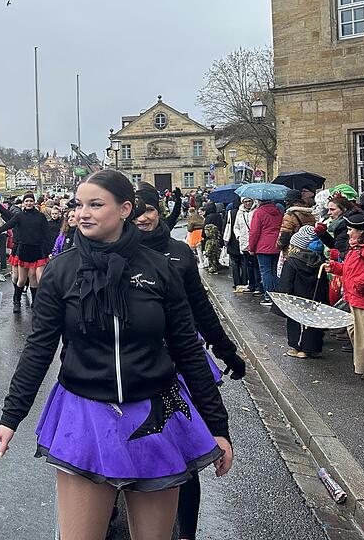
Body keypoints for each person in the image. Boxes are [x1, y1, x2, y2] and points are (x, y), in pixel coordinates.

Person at [0, 171, 232, 540]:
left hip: (156, 414)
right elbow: (38, 349)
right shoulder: (61, 271)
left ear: (125, 209)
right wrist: (11, 417)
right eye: (79, 205)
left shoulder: (159, 269)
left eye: (95, 205)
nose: (83, 213)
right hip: (85, 413)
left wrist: (218, 426)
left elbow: (187, 349)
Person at [131, 182, 245, 540]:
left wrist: (227, 351)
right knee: (137, 449)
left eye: (148, 210)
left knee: (182, 455)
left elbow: (202, 310)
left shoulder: (179, 253)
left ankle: (186, 534)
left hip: (180, 364)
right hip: (136, 367)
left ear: (159, 210)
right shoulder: (115, 254)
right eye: (135, 213)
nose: (143, 219)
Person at [324, 214, 364, 380]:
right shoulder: (359, 246)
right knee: (361, 334)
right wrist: (336, 267)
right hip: (357, 297)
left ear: (361, 231)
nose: (348, 233)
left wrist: (358, 283)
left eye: (351, 230)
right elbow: (351, 269)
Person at [0, 192, 46, 312]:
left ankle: (35, 302)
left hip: (36, 250)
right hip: (23, 250)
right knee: (21, 279)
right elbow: (8, 224)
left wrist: (47, 248)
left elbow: (47, 232)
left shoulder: (40, 216)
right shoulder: (19, 216)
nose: (29, 203)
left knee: (33, 278)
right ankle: (16, 300)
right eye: (26, 201)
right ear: (23, 203)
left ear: (34, 202)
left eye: (31, 201)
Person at [277, 226, 328, 359]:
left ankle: (298, 347)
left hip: (296, 298)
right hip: (315, 298)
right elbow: (323, 284)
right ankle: (312, 348)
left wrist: (283, 298)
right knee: (313, 323)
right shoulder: (320, 261)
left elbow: (286, 282)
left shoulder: (292, 262)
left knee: (296, 322)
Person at [248, 199, 283, 302]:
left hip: (263, 246)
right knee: (275, 271)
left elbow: (254, 232)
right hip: (277, 245)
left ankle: (268, 296)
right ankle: (276, 296)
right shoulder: (279, 211)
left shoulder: (259, 212)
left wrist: (251, 247)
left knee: (265, 272)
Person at [316, 193, 364, 257]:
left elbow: (343, 249)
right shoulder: (340, 223)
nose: (329, 213)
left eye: (332, 209)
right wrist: (322, 233)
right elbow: (338, 245)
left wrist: (339, 255)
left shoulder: (350, 223)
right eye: (328, 209)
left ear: (344, 209)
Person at [233, 196, 261, 295]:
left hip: (254, 242)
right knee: (248, 265)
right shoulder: (240, 212)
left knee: (256, 265)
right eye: (246, 201)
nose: (248, 203)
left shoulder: (256, 211)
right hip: (244, 242)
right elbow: (236, 226)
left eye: (249, 201)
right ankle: (251, 285)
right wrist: (238, 236)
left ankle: (258, 286)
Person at [277, 189, 317, 254]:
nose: (285, 202)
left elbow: (285, 235)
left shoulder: (289, 215)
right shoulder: (310, 213)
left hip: (293, 249)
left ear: (289, 201)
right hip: (308, 248)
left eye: (286, 200)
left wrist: (278, 246)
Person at [221, 202, 246, 291]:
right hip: (242, 239)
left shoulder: (230, 213)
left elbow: (224, 226)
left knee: (234, 263)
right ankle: (244, 282)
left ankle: (236, 283)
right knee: (244, 263)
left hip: (232, 240)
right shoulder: (244, 212)